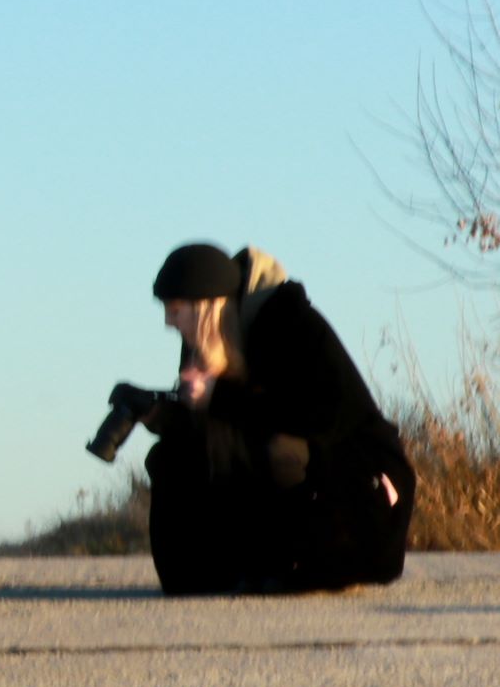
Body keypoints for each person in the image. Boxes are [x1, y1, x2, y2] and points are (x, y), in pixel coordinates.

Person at [141, 242, 415, 594]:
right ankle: (202, 573)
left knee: (279, 447)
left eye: (175, 310)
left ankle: (294, 563)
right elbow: (220, 430)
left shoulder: (291, 323)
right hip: (299, 492)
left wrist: (219, 396)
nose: (168, 322)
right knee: (172, 456)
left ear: (206, 308)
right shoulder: (209, 342)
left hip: (364, 495)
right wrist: (159, 413)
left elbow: (319, 417)